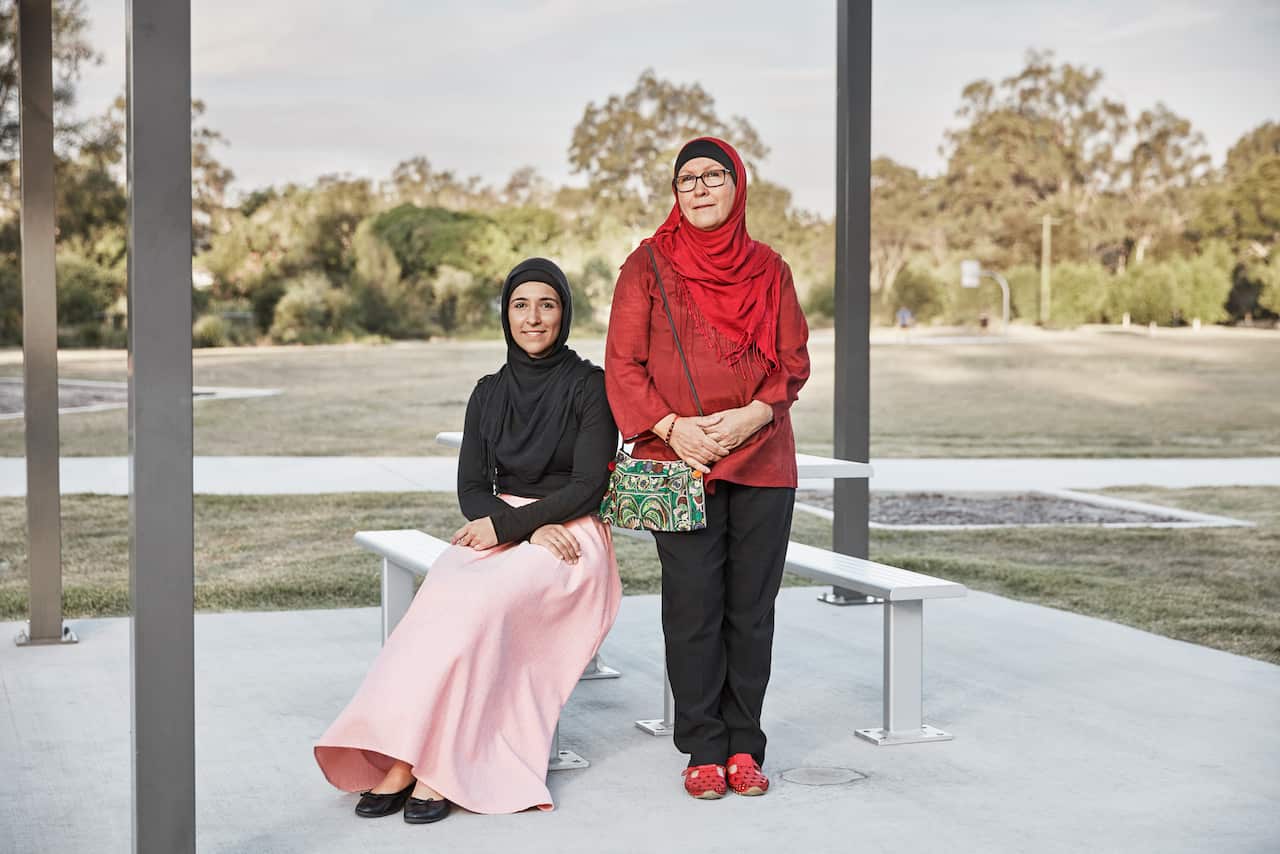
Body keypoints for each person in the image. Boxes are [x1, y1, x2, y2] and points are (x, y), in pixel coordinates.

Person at [314, 257, 621, 823]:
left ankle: (441, 766)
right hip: (507, 524)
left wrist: (523, 526)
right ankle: (403, 757)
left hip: (571, 536)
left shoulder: (591, 386)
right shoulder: (488, 392)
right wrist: (519, 526)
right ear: (506, 315)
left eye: (547, 305)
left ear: (565, 313)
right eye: (521, 305)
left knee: (483, 606)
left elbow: (588, 485)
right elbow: (472, 489)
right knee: (440, 601)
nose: (533, 318)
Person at [604, 137, 811, 800]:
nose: (698, 188)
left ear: (737, 185)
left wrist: (754, 415)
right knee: (693, 609)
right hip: (679, 463)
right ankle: (702, 745)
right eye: (686, 178)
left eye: (712, 176)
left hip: (762, 460)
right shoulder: (646, 266)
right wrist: (673, 428)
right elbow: (622, 364)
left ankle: (744, 745)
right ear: (675, 192)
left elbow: (793, 361)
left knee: (750, 611)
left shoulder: (771, 269)